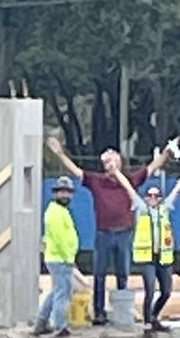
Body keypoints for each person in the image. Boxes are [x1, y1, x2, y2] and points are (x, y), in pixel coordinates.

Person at [46, 136, 173, 325]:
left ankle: (122, 310)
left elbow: (152, 168)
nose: (109, 164)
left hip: (124, 232)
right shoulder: (97, 181)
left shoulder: (130, 179)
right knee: (100, 273)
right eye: (105, 162)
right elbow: (76, 171)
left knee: (123, 272)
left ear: (120, 162)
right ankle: (99, 312)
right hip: (103, 232)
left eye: (112, 159)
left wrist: (167, 153)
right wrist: (59, 153)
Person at [110, 156, 180, 335]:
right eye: (149, 195)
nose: (152, 198)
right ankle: (147, 321)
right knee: (150, 289)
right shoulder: (141, 209)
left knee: (166, 291)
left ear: (160, 198)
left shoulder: (165, 209)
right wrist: (116, 172)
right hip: (147, 257)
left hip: (164, 257)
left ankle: (154, 316)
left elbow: (178, 190)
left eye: (155, 196)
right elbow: (129, 189)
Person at [33, 175, 80, 338]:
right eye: (62, 192)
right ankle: (60, 326)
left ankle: (41, 322)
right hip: (60, 259)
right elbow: (60, 238)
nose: (66, 195)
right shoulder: (55, 213)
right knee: (63, 293)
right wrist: (69, 259)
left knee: (57, 291)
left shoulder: (58, 211)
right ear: (56, 193)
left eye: (68, 192)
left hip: (58, 258)